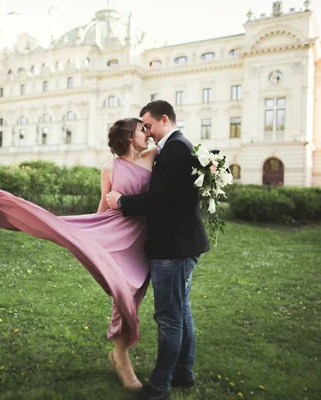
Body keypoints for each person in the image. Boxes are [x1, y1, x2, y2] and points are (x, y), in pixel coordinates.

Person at [0, 118, 156, 389]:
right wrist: (89, 236)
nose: (147, 133)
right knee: (123, 290)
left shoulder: (152, 156)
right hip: (115, 234)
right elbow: (103, 206)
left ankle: (118, 352)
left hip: (141, 239)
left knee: (136, 292)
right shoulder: (109, 167)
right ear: (130, 136)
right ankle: (121, 356)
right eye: (142, 130)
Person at [106, 100, 209, 400]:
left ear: (164, 119)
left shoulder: (175, 149)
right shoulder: (176, 146)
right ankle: (184, 374)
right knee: (182, 313)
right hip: (179, 244)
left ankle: (160, 386)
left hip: (173, 248)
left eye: (148, 125)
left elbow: (162, 201)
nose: (147, 133)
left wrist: (122, 202)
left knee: (169, 319)